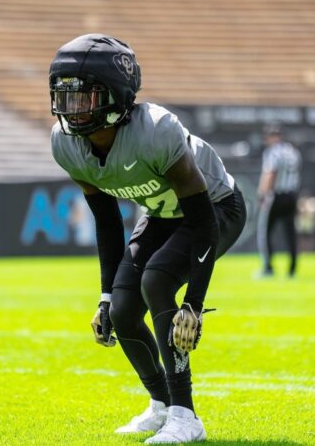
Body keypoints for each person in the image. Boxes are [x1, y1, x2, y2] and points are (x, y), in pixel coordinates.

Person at [49, 34, 247, 444]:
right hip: (160, 211)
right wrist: (104, 295)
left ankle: (185, 416)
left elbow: (202, 217)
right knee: (122, 311)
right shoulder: (66, 144)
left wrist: (192, 302)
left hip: (215, 207)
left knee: (156, 281)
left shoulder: (155, 130)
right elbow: (106, 220)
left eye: (84, 97)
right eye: (64, 97)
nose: (72, 109)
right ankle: (161, 405)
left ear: (117, 96)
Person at [256, 123, 301, 277]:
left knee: (265, 232)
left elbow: (270, 173)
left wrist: (262, 194)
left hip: (276, 195)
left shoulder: (273, 152)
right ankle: (293, 269)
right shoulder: (292, 151)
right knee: (290, 233)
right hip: (291, 195)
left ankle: (268, 267)